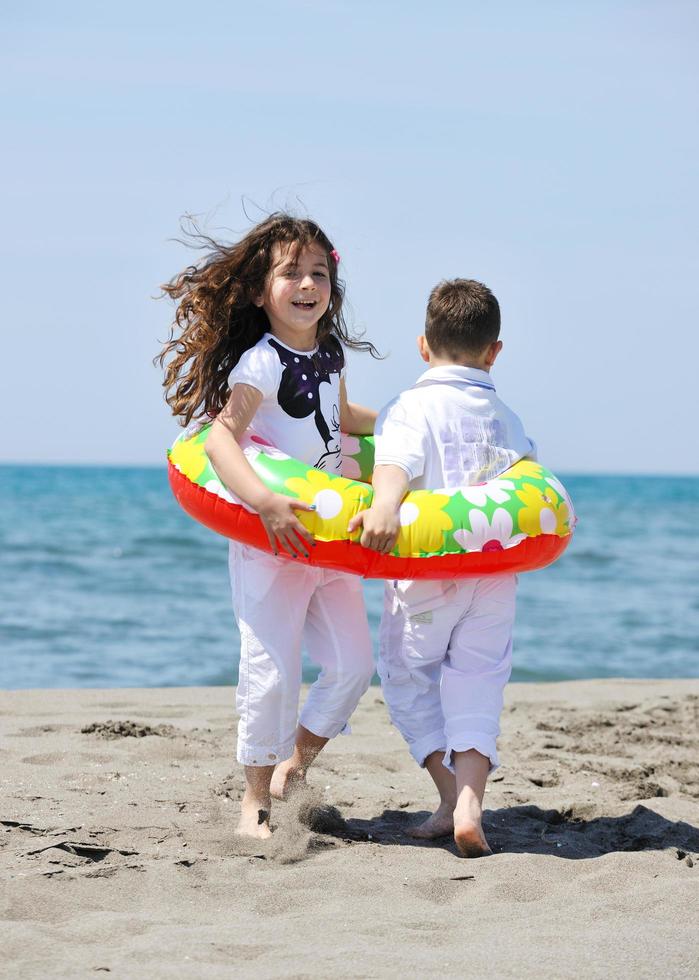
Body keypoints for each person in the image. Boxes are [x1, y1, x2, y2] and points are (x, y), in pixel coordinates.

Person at [158, 214, 378, 838]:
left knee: (354, 665)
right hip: (271, 538)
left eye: (319, 273)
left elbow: (339, 418)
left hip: (327, 541)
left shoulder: (331, 354)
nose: (307, 284)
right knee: (272, 668)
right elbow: (223, 438)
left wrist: (403, 425)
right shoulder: (259, 364)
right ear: (260, 291)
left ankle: (294, 765)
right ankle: (254, 800)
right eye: (291, 273)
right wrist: (264, 501)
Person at [348, 278, 536, 857]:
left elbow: (397, 463)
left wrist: (384, 506)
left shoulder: (411, 406)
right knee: (479, 681)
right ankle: (471, 806)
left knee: (406, 678)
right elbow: (528, 489)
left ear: (423, 346)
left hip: (428, 576)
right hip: (493, 577)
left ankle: (449, 793)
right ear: (495, 350)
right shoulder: (506, 416)